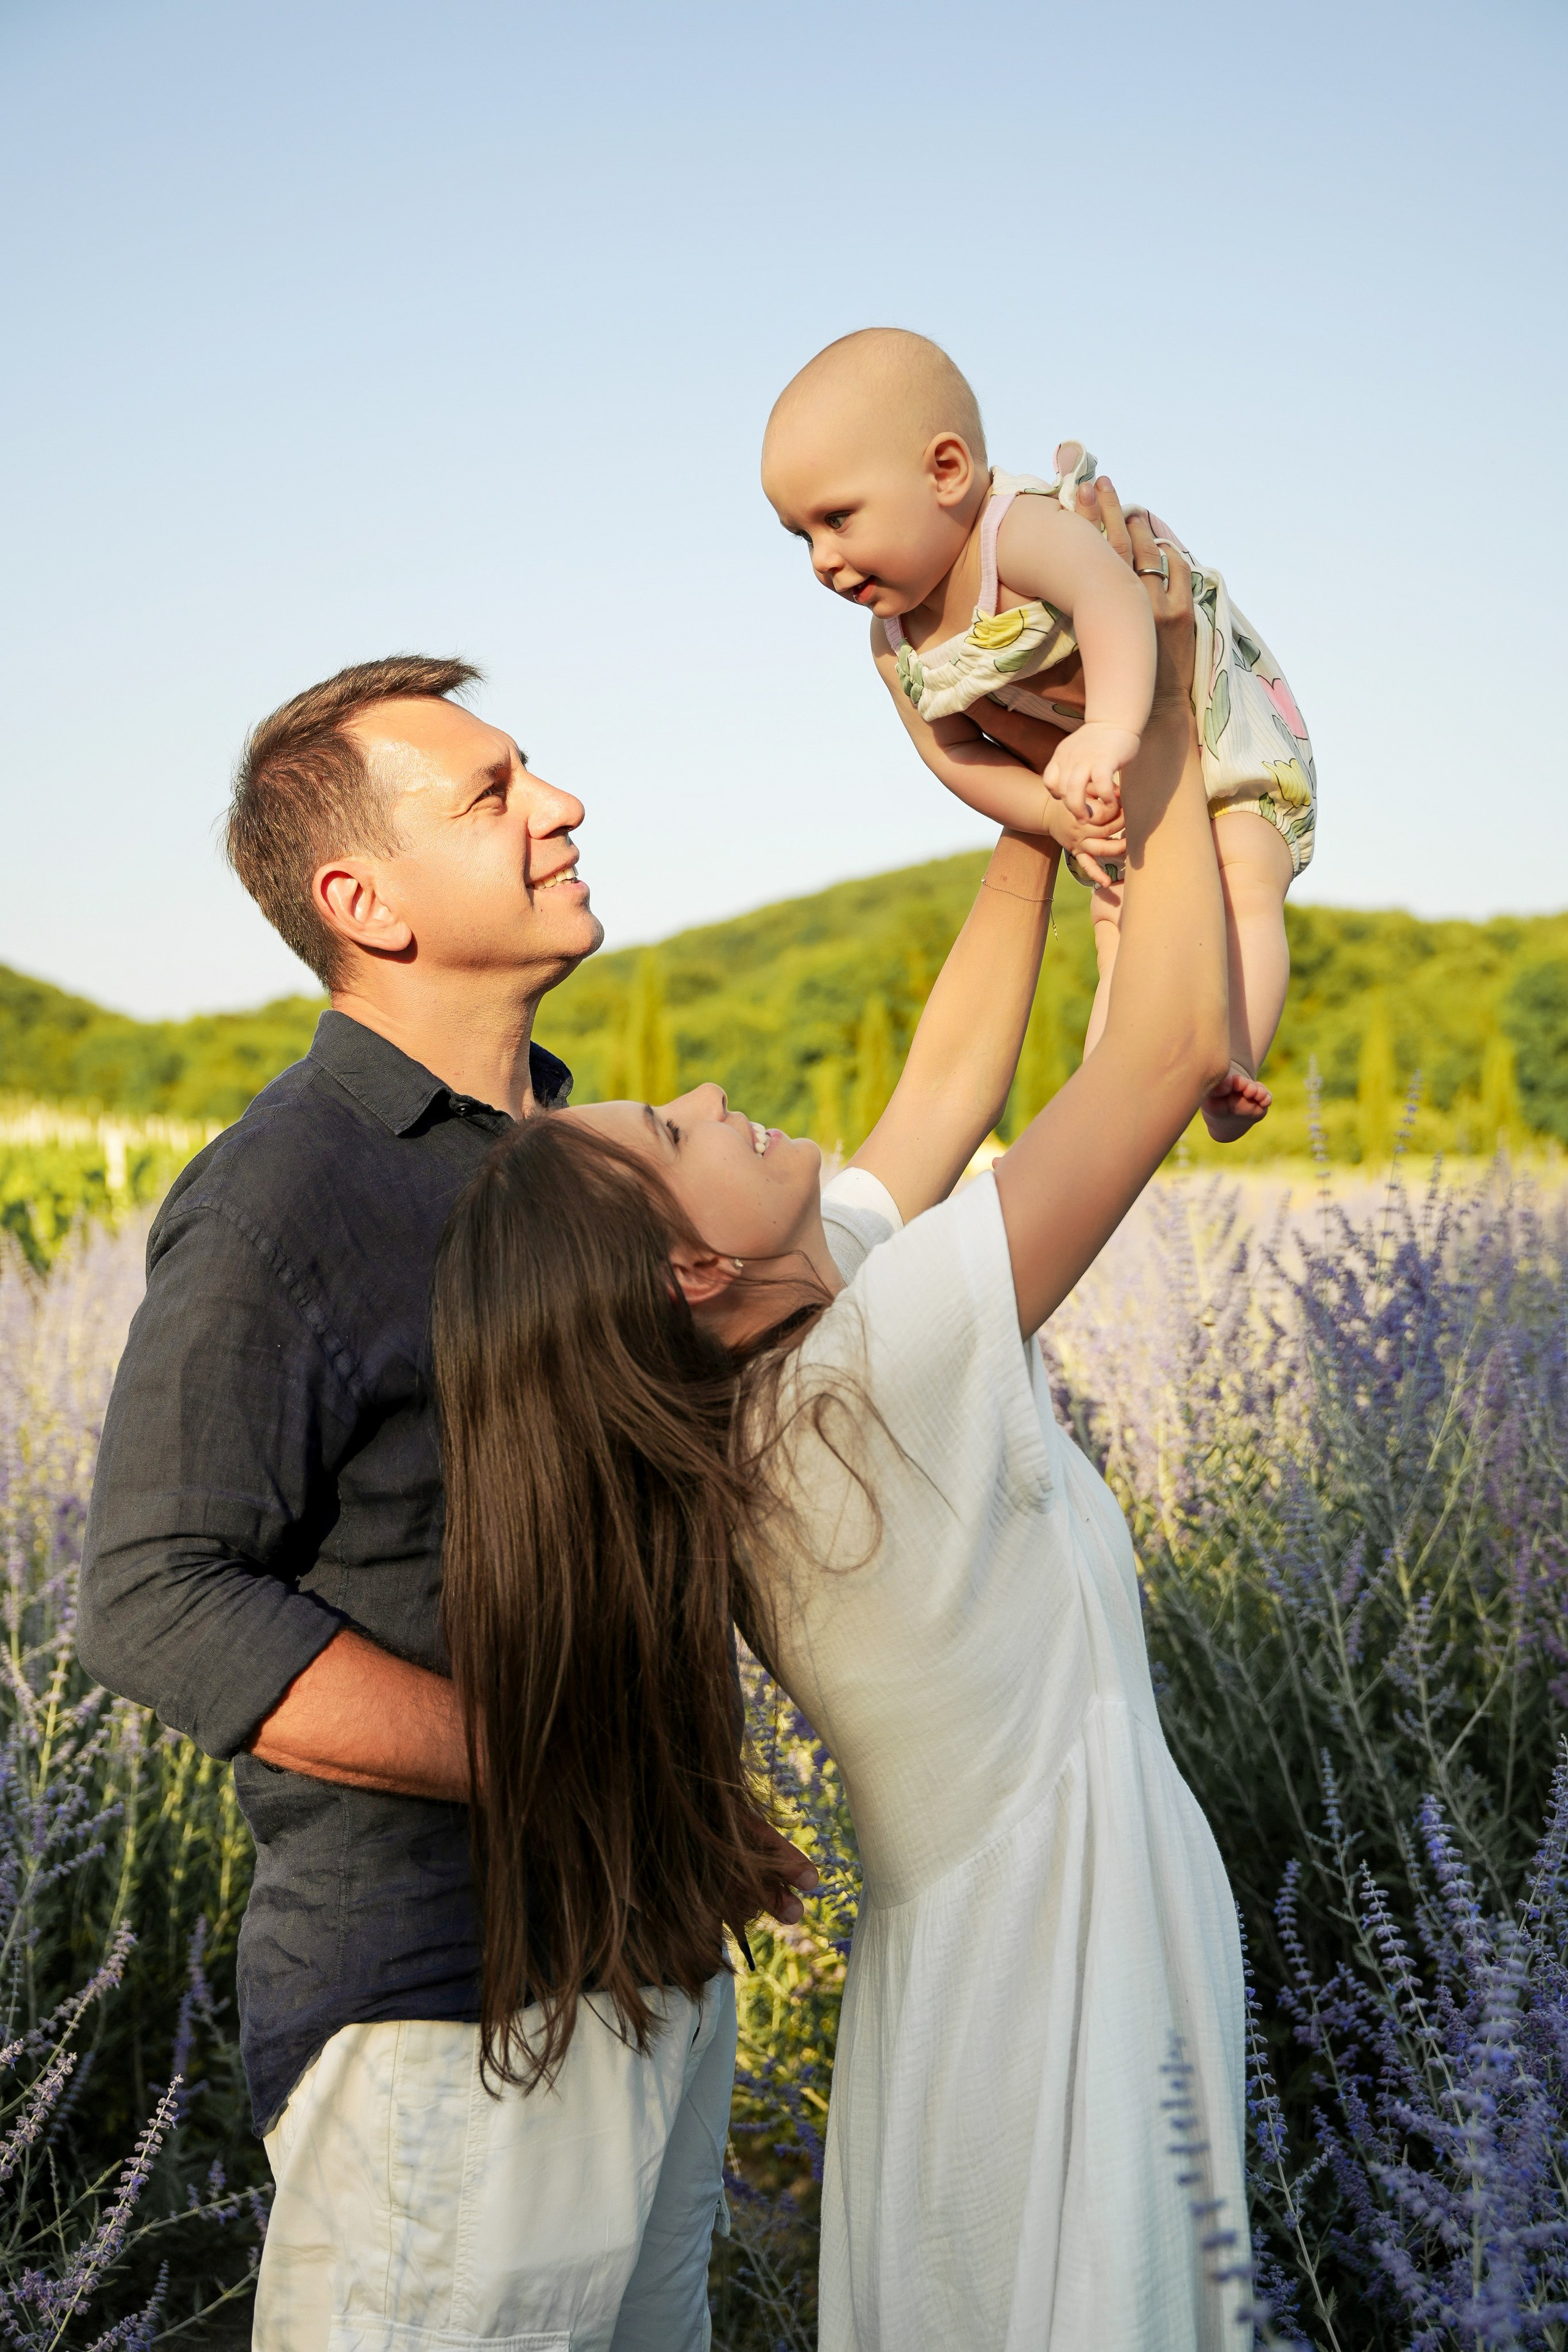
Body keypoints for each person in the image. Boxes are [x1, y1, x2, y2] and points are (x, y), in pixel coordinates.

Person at [436, 491, 1248, 2349]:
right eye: (672, 1132)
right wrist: (1158, 694)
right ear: (689, 1270)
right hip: (1055, 1967)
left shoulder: (790, 1371)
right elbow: (1167, 1047)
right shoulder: (871, 1376)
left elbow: (948, 1085)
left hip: (985, 1966)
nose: (712, 1094)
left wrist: (1028, 824)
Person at [77, 654, 815, 2350]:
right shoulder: (283, 1193)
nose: (559, 807)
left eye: (530, 772)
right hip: (448, 2017)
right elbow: (154, 1593)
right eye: (491, 795)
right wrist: (548, 1756)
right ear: (366, 903)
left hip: (658, 1970)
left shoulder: (583, 1153)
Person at [761, 326, 1317, 1140]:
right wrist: (1051, 814)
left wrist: (1109, 728)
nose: (822, 558)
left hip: (1219, 739)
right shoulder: (895, 645)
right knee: (1117, 927)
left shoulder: (1013, 533)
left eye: (838, 518)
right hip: (1114, 797)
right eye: (802, 535)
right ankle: (1116, 1102)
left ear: (946, 472)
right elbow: (952, 753)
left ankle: (1228, 1060)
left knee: (1244, 881)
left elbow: (1114, 597)